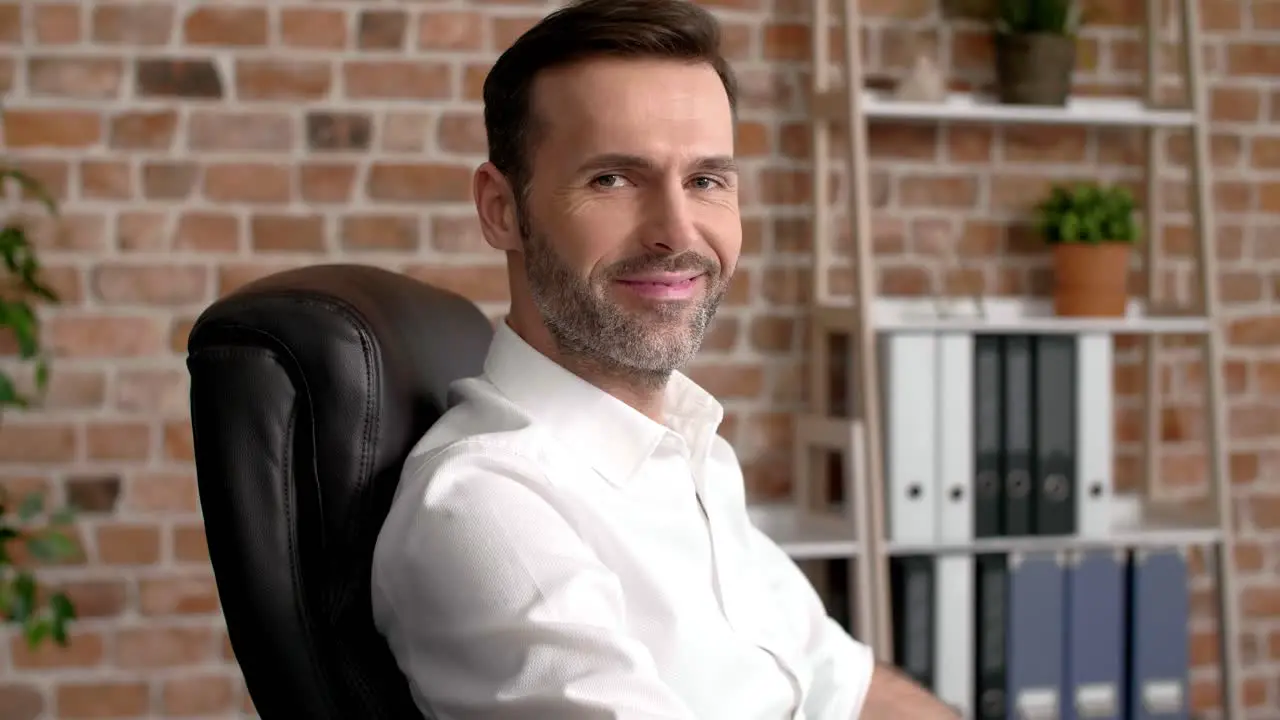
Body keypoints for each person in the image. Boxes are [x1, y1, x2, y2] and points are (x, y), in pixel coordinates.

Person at [371, 1, 959, 718]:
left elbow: (848, 686)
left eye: (707, 180)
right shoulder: (486, 511)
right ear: (501, 209)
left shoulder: (689, 448)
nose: (677, 232)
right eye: (613, 179)